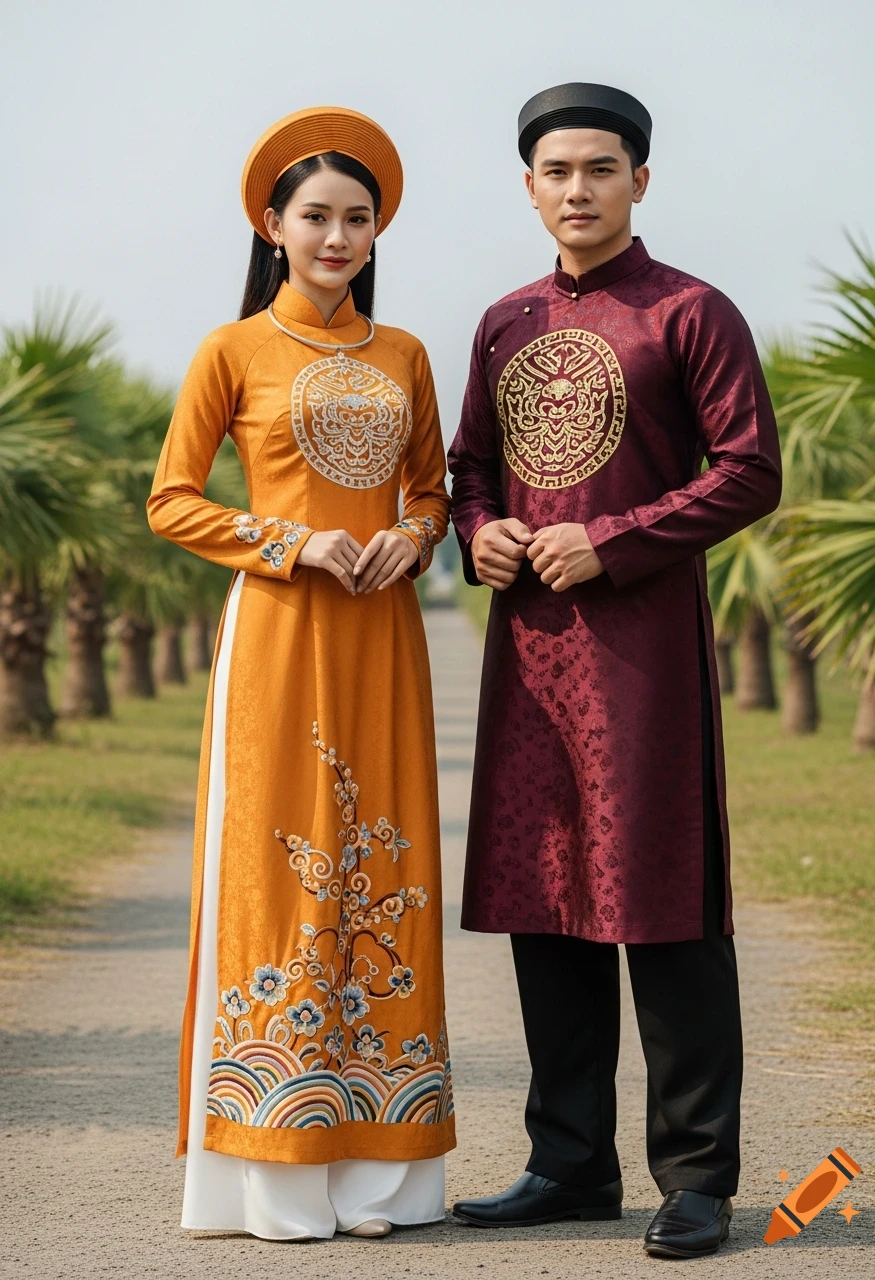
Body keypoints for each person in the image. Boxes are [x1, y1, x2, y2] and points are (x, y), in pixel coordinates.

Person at [448, 82, 781, 1259]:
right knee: (547, 899)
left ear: (640, 179)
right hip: (529, 655)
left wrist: (612, 538)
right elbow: (469, 467)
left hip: (641, 655)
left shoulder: (689, 311)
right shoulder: (500, 322)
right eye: (555, 171)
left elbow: (747, 469)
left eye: (599, 168)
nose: (576, 189)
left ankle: (695, 1175)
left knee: (663, 902)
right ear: (527, 186)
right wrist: (477, 531)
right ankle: (567, 1160)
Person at [148, 106, 454, 1241]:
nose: (336, 235)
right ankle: (273, 1171)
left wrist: (412, 537)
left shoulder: (406, 354)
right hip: (277, 631)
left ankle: (381, 1175)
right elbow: (171, 498)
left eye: (356, 218)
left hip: (383, 638)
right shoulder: (229, 352)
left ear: (376, 233)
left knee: (388, 869)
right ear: (272, 226)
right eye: (315, 215)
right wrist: (288, 540)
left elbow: (431, 491)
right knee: (280, 873)